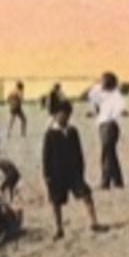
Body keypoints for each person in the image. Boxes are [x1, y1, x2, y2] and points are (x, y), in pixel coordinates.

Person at [41, 99, 101, 239]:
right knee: (56, 201)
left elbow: (79, 152)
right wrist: (47, 175)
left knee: (86, 194)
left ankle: (94, 222)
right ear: (55, 115)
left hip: (73, 172)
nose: (64, 117)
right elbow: (46, 156)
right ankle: (59, 228)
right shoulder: (50, 134)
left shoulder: (73, 131)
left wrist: (81, 170)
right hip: (56, 173)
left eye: (67, 115)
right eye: (61, 115)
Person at [87, 71, 125, 189]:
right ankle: (117, 180)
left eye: (104, 80)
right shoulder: (105, 93)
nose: (102, 82)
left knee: (107, 153)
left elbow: (94, 98)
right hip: (105, 125)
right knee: (110, 153)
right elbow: (93, 97)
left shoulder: (116, 96)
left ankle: (106, 181)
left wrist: (97, 110)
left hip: (109, 125)